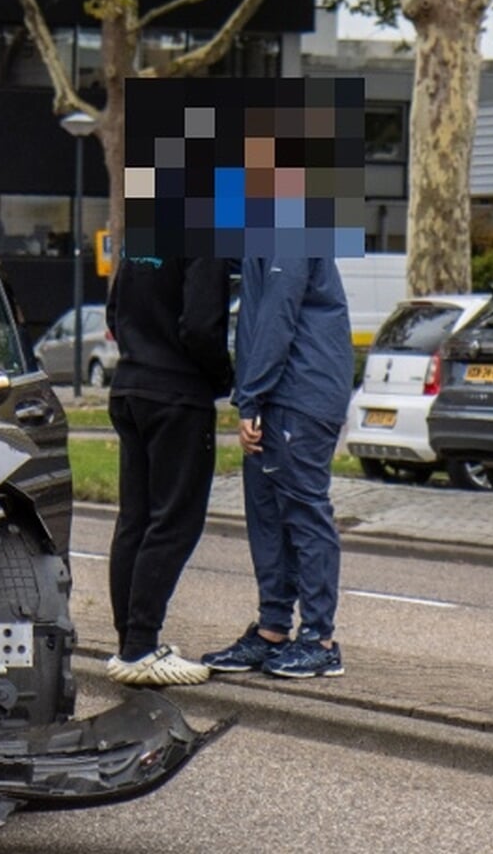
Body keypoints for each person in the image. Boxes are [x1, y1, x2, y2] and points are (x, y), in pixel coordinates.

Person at [201, 257, 353, 679]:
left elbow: (277, 317)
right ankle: (272, 630)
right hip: (279, 394)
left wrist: (250, 397)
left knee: (304, 512)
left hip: (299, 393)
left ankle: (320, 640)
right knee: (267, 515)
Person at [103, 255, 233, 687]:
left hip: (130, 386)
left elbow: (115, 310)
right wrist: (222, 379)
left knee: (135, 520)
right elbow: (200, 326)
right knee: (174, 521)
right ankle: (141, 646)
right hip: (178, 393)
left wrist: (139, 350)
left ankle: (130, 644)